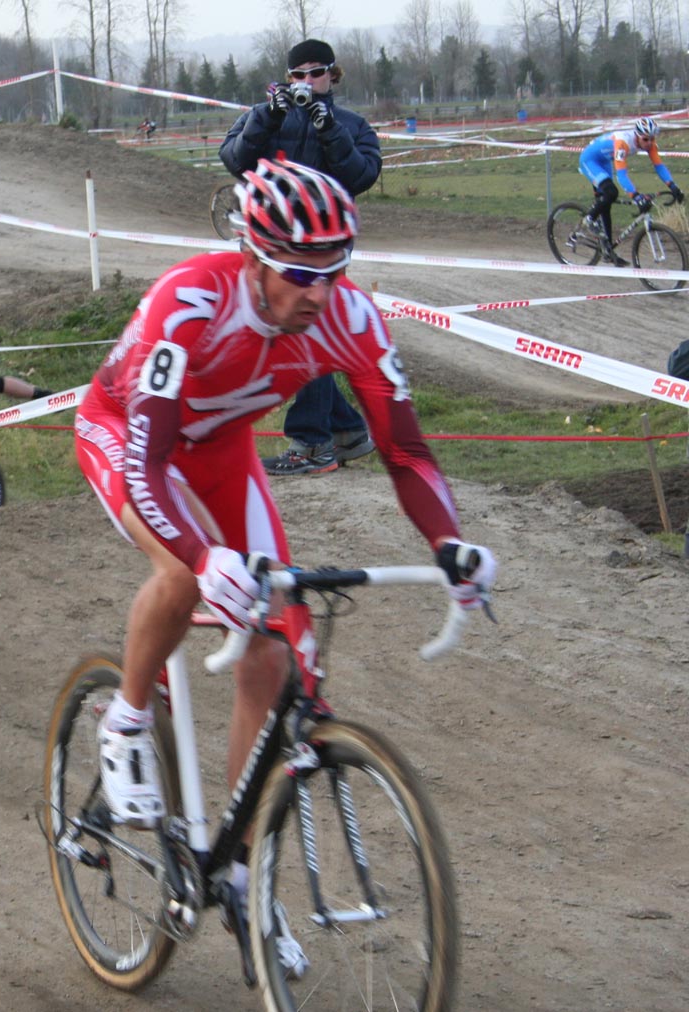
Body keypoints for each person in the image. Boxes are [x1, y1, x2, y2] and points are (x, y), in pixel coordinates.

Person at [73, 159, 496, 967]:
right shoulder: (192, 298)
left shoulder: (351, 320)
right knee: (189, 573)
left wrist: (448, 544)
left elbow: (405, 451)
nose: (320, 293)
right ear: (254, 258)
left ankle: (232, 862)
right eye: (302, 274)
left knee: (272, 648)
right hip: (131, 437)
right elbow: (147, 456)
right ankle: (126, 720)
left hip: (224, 453)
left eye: (335, 273)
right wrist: (203, 555)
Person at [220, 38, 382, 477]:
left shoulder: (351, 123)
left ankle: (312, 444)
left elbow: (362, 175)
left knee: (304, 332)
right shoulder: (266, 115)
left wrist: (329, 127)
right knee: (294, 331)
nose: (307, 82)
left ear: (332, 74)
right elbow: (234, 158)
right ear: (287, 78)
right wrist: (266, 115)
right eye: (298, 74)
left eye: (316, 72)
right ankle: (347, 432)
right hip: (272, 245)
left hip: (325, 249)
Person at [579, 117, 684, 267]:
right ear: (637, 135)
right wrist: (635, 196)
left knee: (606, 204)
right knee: (611, 193)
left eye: (652, 139)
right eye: (645, 139)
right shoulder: (623, 143)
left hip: (604, 160)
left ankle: (607, 251)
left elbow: (659, 166)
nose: (649, 143)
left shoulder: (650, 144)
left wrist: (673, 186)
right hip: (590, 160)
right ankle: (589, 218)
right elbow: (622, 175)